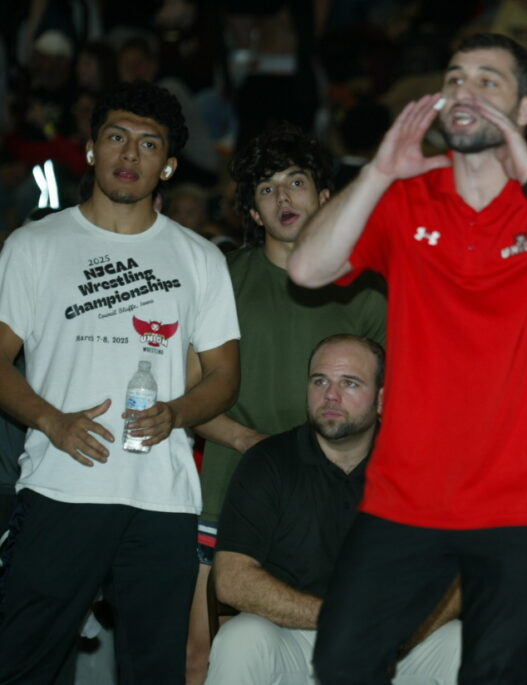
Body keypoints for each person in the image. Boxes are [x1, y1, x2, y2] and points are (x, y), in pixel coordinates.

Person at [286, 33, 527, 683]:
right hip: (408, 489)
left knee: (495, 673)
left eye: (488, 81)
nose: (465, 91)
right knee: (342, 657)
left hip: (520, 492)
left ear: (526, 109)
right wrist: (379, 171)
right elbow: (307, 267)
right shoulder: (407, 195)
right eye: (454, 79)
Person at [0, 80, 240, 683]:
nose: (130, 154)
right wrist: (52, 421)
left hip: (162, 497)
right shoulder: (33, 245)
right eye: (116, 137)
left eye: (148, 144)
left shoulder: (201, 258)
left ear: (169, 166)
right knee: (21, 663)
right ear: (90, 149)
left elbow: (225, 375)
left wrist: (177, 413)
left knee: (154, 672)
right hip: (59, 487)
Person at [187, 124, 387, 683]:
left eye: (296, 182)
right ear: (253, 211)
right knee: (201, 656)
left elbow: (395, 398)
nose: (283, 197)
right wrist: (247, 441)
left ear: (323, 196)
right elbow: (187, 392)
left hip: (338, 496)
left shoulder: (366, 287)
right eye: (267, 188)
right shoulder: (223, 279)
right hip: (228, 484)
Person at [207, 334, 460, 685]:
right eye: (320, 381)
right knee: (240, 638)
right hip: (296, 634)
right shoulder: (268, 462)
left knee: (460, 642)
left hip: (394, 640)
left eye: (350, 383)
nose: (331, 395)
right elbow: (232, 580)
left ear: (383, 398)